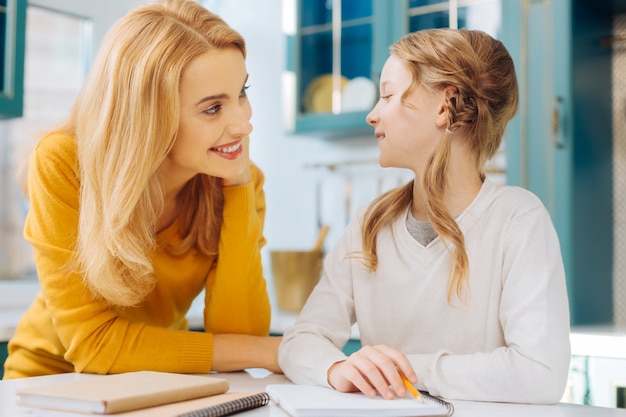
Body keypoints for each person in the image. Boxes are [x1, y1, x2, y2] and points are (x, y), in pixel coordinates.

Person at [278, 28, 571, 404]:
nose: (372, 115)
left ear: (444, 105)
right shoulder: (371, 223)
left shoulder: (518, 220)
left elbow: (540, 374)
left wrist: (404, 371)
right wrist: (337, 369)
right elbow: (301, 340)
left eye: (387, 96)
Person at [4, 0, 281, 379]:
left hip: (160, 379)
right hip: (52, 379)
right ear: (150, 116)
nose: (243, 125)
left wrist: (237, 188)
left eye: (241, 93)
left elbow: (242, 338)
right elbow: (94, 345)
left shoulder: (238, 183)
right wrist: (272, 351)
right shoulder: (63, 163)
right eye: (213, 108)